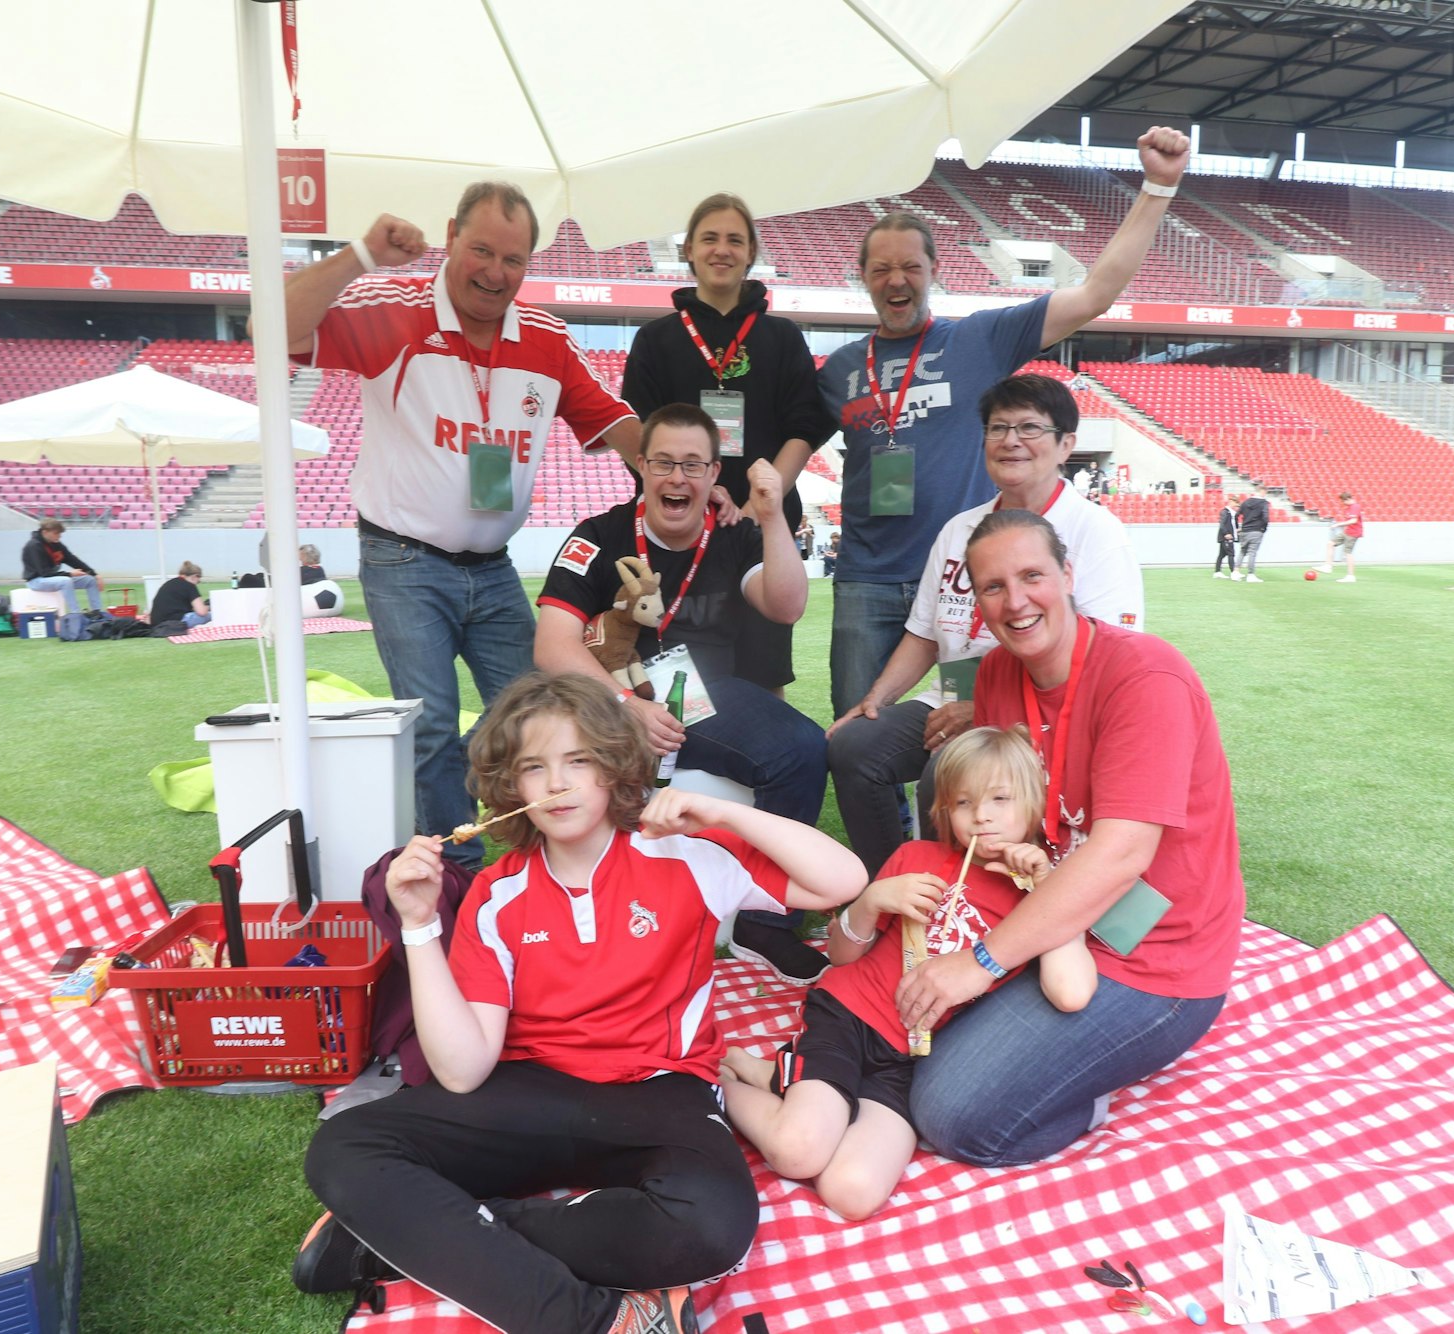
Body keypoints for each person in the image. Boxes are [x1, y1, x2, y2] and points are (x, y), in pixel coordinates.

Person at [295, 671, 865, 1334]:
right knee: (345, 1145)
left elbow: (841, 881)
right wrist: (419, 924)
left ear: (615, 768)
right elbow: (462, 1071)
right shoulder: (494, 894)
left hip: (659, 1089)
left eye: (578, 761)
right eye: (534, 768)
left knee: (712, 1232)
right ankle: (593, 1321)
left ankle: (410, 1238)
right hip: (530, 1090)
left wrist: (725, 812)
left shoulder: (690, 855)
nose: (558, 783)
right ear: (511, 787)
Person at [282, 182, 643, 870]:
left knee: (538, 721)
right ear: (450, 237)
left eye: (513, 259)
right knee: (433, 729)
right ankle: (459, 884)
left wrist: (677, 470)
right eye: (481, 250)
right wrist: (361, 254)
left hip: (493, 567)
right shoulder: (392, 312)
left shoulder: (546, 338)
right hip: (403, 562)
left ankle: (535, 867)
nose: (495, 272)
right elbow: (275, 327)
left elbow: (612, 420)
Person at [895, 510, 1242, 1168]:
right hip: (1056, 918)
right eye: (993, 586)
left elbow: (1120, 856)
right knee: (895, 1026)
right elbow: (1014, 809)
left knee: (951, 1113)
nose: (1016, 601)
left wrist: (981, 963)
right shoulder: (997, 674)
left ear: (1068, 575)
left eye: (1032, 576)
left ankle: (1083, 1100)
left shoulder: (1144, 677)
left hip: (1154, 958)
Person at [817, 126, 1191, 718]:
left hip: (968, 576)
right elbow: (787, 441)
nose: (896, 280)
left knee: (970, 729)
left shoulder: (980, 338)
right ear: (861, 275)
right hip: (867, 579)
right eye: (882, 268)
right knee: (861, 722)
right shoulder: (837, 369)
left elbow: (1094, 294)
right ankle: (892, 817)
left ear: (934, 270)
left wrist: (1157, 188)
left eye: (911, 267)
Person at [719, 726, 1090, 1221]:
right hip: (848, 1019)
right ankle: (720, 1088)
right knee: (798, 1152)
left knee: (851, 1193)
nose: (981, 814)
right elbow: (841, 957)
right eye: (963, 803)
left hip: (915, 1062)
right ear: (944, 812)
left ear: (1034, 803)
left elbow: (1070, 989)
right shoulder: (918, 859)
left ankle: (778, 1075)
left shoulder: (1036, 896)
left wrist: (1050, 889)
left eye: (1001, 798)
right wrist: (871, 902)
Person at [534, 403, 831, 984]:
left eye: (693, 466)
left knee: (802, 748)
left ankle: (766, 925)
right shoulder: (599, 534)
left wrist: (772, 519)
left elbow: (787, 605)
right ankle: (577, 917)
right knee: (526, 754)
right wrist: (628, 707)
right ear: (641, 465)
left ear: (715, 475)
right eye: (665, 463)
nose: (678, 478)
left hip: (707, 697)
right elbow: (552, 645)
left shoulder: (733, 533)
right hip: (615, 697)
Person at [826, 374, 1143, 878]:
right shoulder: (959, 529)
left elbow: (1100, 660)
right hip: (948, 701)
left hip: (1035, 714)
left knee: (947, 775)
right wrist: (876, 700)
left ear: (1066, 445)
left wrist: (982, 709)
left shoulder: (1096, 533)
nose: (1011, 441)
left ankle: (956, 906)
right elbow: (924, 633)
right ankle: (890, 884)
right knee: (853, 745)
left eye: (1029, 428)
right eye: (998, 428)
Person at [621, 192, 837, 695]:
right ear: (689, 252)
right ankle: (680, 771)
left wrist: (753, 504)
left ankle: (764, 767)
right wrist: (692, 492)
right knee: (677, 674)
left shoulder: (782, 337)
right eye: (710, 238)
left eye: (735, 239)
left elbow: (803, 429)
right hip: (680, 523)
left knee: (764, 673)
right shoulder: (656, 340)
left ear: (751, 253)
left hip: (761, 526)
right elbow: (639, 430)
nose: (723, 249)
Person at [20, 520, 105, 616]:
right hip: (36, 581)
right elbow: (44, 573)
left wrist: (95, 574)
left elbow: (73, 560)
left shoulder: (56, 544)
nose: (59, 536)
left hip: (53, 578)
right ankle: (75, 614)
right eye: (56, 533)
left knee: (90, 580)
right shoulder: (34, 546)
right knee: (66, 581)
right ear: (45, 532)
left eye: (59, 533)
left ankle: (97, 612)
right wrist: (70, 574)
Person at [1314, 491, 1362, 582]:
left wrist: (1338, 524)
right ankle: (1328, 566)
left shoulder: (1355, 507)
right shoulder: (1348, 508)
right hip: (1347, 531)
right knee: (1330, 543)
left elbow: (1354, 520)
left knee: (1348, 553)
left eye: (1343, 501)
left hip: (1353, 533)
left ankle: (1351, 576)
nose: (1342, 503)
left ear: (1347, 499)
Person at [148, 560, 210, 628]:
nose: (197, 583)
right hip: (176, 622)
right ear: (195, 576)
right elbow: (202, 612)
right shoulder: (189, 586)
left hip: (156, 622)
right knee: (213, 615)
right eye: (198, 581)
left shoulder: (169, 583)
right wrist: (207, 607)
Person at [1234, 488, 1270, 582]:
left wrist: (1238, 527)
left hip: (1244, 530)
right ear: (1263, 492)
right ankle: (1250, 574)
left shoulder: (1246, 502)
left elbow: (1236, 515)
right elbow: (1265, 517)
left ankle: (1236, 571)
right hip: (1256, 530)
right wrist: (1263, 529)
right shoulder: (1264, 503)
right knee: (1252, 553)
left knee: (1242, 551)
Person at [1213, 495, 1238, 578]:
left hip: (1225, 537)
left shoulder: (1231, 513)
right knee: (1231, 553)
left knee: (1221, 554)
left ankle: (1217, 571)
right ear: (1231, 502)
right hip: (1226, 537)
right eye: (1235, 503)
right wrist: (1226, 533)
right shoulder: (1225, 512)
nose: (1236, 505)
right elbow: (1222, 524)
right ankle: (1233, 572)